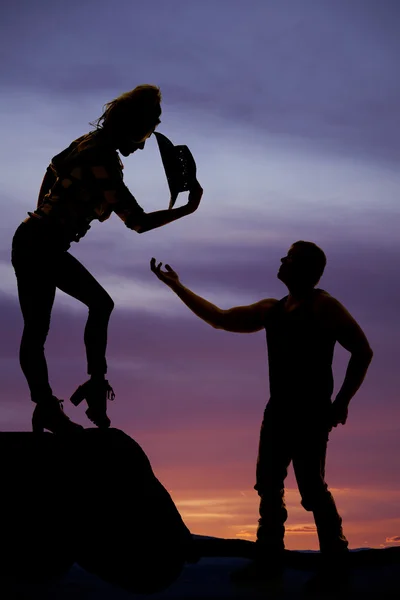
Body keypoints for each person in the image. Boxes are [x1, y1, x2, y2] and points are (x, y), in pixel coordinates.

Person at [150, 241, 373, 585]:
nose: (282, 261)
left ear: (305, 268)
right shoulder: (273, 309)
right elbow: (221, 319)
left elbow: (362, 352)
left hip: (311, 413)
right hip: (278, 410)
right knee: (268, 486)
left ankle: (335, 560)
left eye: (290, 257)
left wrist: (341, 401)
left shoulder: (325, 307)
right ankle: (269, 562)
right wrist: (176, 285)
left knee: (311, 490)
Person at [11, 84, 203, 435]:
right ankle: (71, 398)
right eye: (143, 133)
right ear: (131, 126)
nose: (143, 144)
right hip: (39, 244)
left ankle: (64, 399)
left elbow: (52, 168)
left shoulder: (90, 144)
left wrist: (45, 210)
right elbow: (138, 222)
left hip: (37, 239)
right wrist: (188, 209)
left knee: (53, 323)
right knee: (84, 311)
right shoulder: (102, 159)